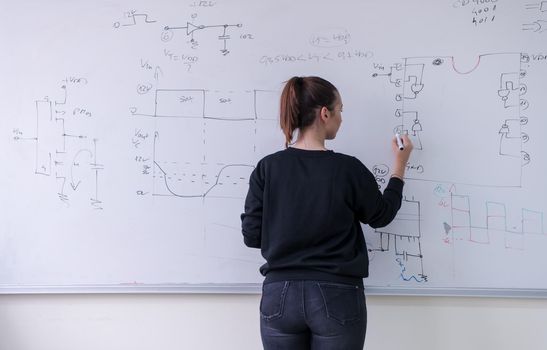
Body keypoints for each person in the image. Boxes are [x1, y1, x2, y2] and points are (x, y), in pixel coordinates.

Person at [241, 76, 413, 349]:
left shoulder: (267, 168)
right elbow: (381, 215)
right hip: (337, 294)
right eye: (340, 110)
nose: (341, 118)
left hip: (279, 295)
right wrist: (399, 166)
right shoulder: (347, 169)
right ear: (325, 113)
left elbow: (252, 236)